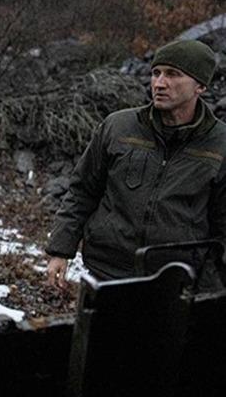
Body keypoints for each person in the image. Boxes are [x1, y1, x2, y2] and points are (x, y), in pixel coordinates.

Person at [46, 39, 226, 290]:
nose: (159, 83)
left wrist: (210, 287)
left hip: (177, 280)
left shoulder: (220, 145)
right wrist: (60, 251)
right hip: (106, 273)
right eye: (156, 73)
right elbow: (82, 191)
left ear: (201, 86)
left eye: (173, 75)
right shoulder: (118, 126)